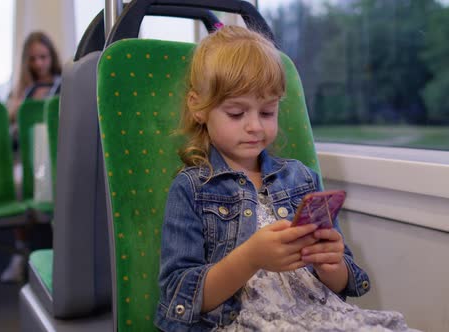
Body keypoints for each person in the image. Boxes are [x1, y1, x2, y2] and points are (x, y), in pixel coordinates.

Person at [154, 26, 417, 331]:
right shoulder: (193, 188)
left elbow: (343, 282)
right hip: (248, 321)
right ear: (198, 107)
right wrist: (250, 258)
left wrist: (330, 263)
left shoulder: (301, 179)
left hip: (325, 316)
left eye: (267, 112)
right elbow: (178, 293)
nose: (254, 126)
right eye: (237, 113)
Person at [0, 31, 62, 283]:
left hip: (54, 157)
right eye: (33, 59)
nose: (38, 64)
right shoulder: (16, 95)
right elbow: (9, 138)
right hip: (26, 160)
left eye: (43, 57)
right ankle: (20, 252)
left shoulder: (63, 86)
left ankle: (60, 250)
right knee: (19, 183)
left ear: (51, 57)